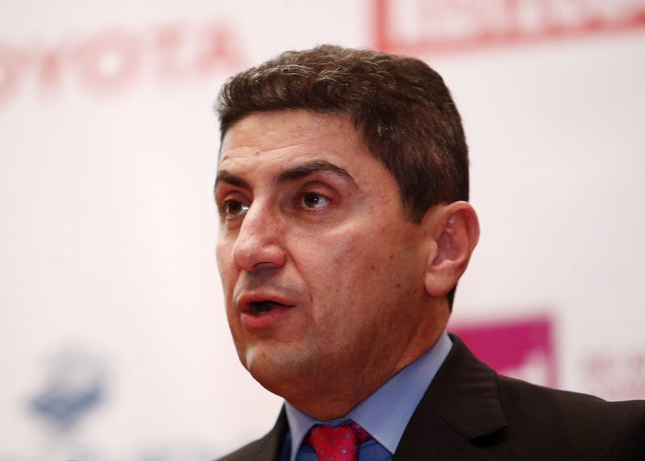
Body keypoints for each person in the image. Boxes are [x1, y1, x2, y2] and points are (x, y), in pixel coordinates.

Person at [212, 45, 645, 461]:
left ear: (443, 247)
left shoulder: (607, 448)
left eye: (313, 199)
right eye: (235, 206)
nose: (249, 248)